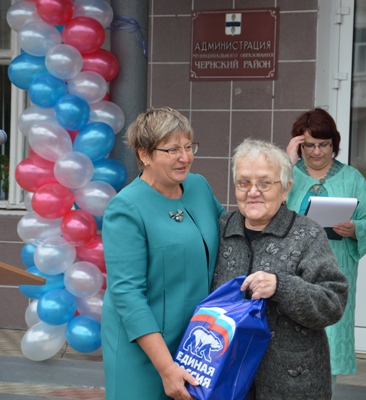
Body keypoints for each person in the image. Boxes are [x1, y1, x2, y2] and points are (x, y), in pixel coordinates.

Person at [211, 138, 349, 399]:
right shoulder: (221, 229)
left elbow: (333, 302)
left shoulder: (307, 234)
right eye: (244, 182)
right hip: (227, 378)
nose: (253, 191)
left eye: (265, 183)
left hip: (292, 381)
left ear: (286, 189)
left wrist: (281, 286)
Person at [101, 107, 224, 400]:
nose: (185, 157)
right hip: (144, 347)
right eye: (172, 149)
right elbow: (128, 295)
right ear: (145, 154)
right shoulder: (126, 208)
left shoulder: (199, 186)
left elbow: (231, 233)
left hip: (193, 342)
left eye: (188, 146)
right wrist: (166, 367)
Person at [285, 108, 366, 384]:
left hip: (336, 267)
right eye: (309, 145)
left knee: (331, 331)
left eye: (323, 145)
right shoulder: (288, 175)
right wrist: (286, 163)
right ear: (298, 145)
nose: (317, 152)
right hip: (294, 268)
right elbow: (270, 210)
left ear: (334, 144)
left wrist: (355, 229)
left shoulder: (352, 178)